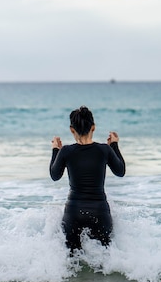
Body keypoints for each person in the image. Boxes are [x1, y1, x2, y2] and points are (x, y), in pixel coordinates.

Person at [49, 106, 125, 252]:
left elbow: (54, 176)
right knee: (105, 261)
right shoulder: (104, 149)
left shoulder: (66, 151)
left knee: (72, 262)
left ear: (72, 129)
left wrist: (55, 150)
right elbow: (120, 171)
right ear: (93, 127)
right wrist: (114, 145)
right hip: (100, 212)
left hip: (74, 212)